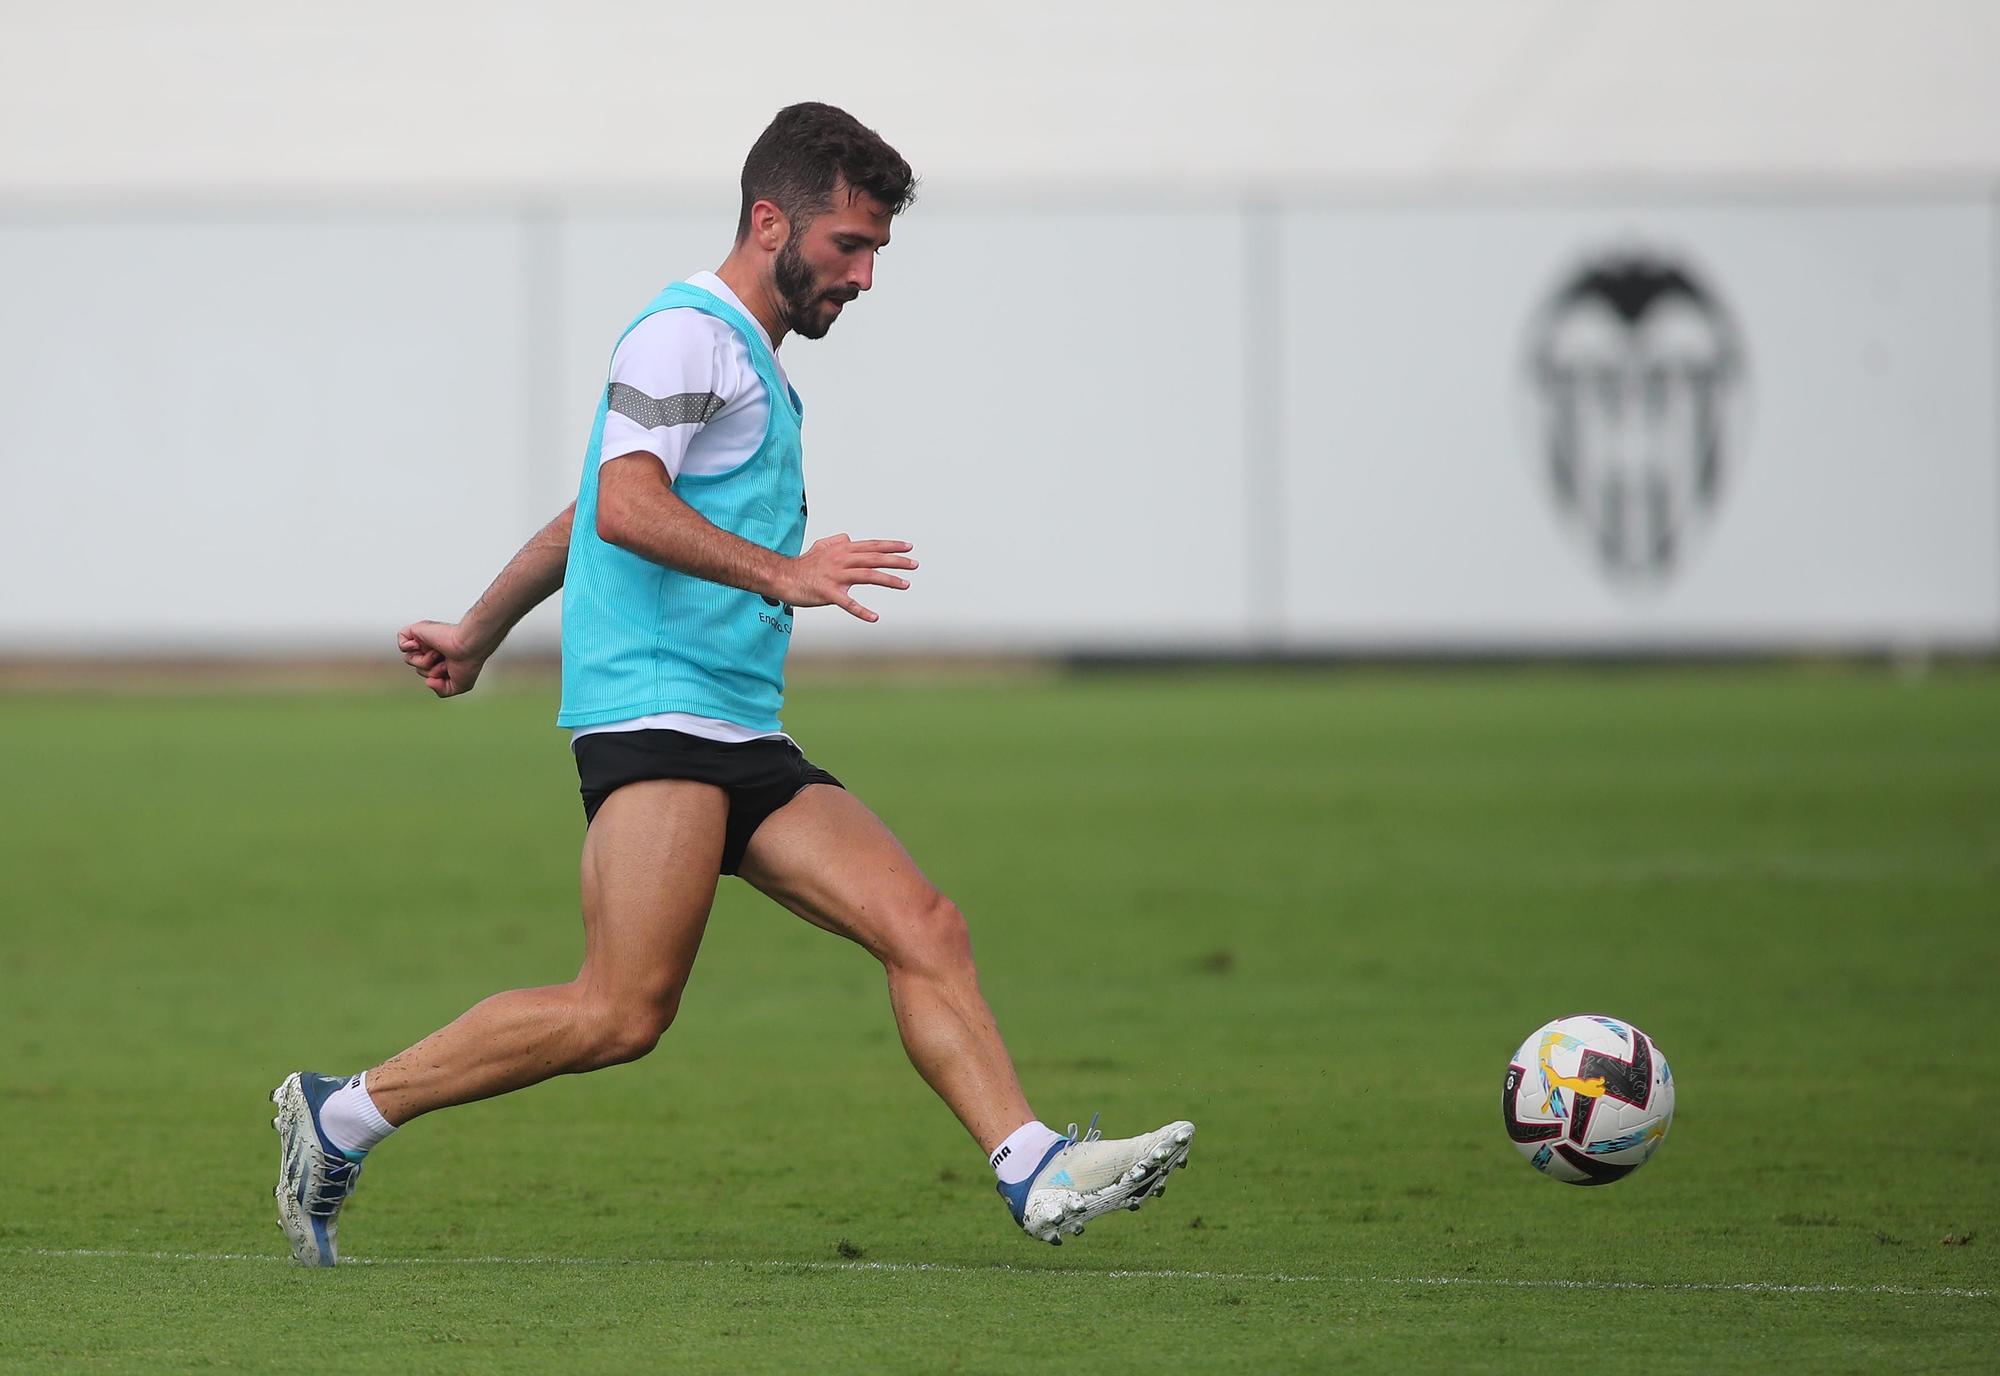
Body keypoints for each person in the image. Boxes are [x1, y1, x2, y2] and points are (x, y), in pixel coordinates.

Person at [270, 103, 1192, 1267]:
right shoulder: (684, 336)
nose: (862, 277)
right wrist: (785, 571)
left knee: (923, 924)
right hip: (654, 713)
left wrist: (479, 626)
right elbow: (624, 505)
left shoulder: (746, 361)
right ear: (771, 222)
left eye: (875, 251)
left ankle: (1030, 1163)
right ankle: (338, 1110)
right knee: (620, 1010)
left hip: (732, 723)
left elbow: (584, 515)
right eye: (849, 246)